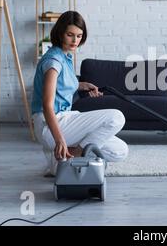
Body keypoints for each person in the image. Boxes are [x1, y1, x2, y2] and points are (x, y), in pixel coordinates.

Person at [31, 11, 128, 176]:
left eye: (79, 36)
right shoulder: (53, 62)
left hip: (63, 121)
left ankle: (60, 162)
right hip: (51, 123)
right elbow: (47, 106)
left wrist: (82, 85)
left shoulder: (65, 57)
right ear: (60, 33)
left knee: (120, 151)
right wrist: (59, 140)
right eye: (70, 35)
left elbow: (62, 85)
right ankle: (73, 154)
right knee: (116, 117)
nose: (75, 40)